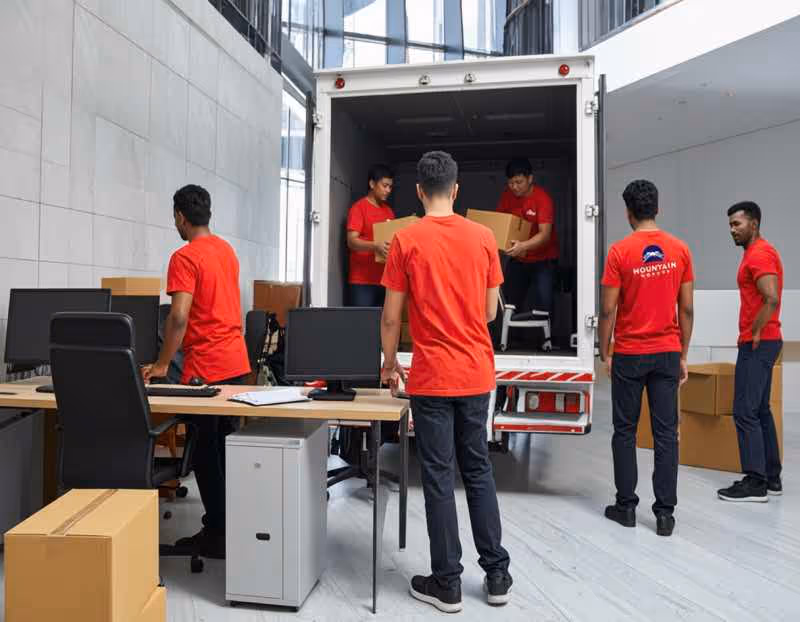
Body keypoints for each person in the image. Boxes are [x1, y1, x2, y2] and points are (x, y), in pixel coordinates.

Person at [380, 151, 512, 613]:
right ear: (455, 190)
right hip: (476, 372)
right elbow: (491, 311)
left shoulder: (405, 239)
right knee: (477, 469)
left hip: (433, 377)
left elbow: (392, 316)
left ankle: (447, 583)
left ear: (419, 190)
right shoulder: (483, 237)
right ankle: (497, 575)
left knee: (438, 476)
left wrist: (389, 364)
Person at [142, 184, 250, 558]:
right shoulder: (227, 251)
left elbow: (179, 317)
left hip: (207, 366)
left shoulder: (185, 257)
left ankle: (218, 533)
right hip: (236, 362)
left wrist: (159, 365)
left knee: (203, 448)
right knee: (223, 446)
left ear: (180, 217)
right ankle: (227, 527)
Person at [599, 179, 694, 537]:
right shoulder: (679, 249)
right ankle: (665, 514)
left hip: (630, 353)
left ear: (628, 212)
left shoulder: (620, 252)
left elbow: (608, 310)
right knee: (666, 433)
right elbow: (686, 308)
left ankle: (625, 507)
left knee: (624, 431)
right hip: (667, 351)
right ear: (658, 208)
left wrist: (605, 351)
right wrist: (682, 353)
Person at [717, 201, 783, 503]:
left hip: (759, 342)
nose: (732, 230)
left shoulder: (760, 254)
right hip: (763, 341)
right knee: (759, 410)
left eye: (737, 224)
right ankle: (771, 477)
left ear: (753, 224)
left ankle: (755, 482)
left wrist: (755, 332)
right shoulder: (755, 254)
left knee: (745, 411)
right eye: (730, 224)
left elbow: (770, 296)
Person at [497, 158, 559, 320]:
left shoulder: (542, 199)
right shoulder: (507, 196)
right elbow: (501, 224)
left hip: (544, 260)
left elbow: (545, 235)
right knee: (510, 302)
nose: (514, 187)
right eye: (511, 183)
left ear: (530, 179)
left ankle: (546, 342)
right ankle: (508, 341)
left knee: (545, 303)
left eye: (519, 182)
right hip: (518, 258)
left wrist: (522, 246)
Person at [346, 164, 395, 307]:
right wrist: (376, 246)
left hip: (385, 280)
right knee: (362, 327)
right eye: (385, 186)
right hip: (362, 282)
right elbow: (351, 241)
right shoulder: (359, 208)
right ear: (372, 184)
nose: (388, 190)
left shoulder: (389, 212)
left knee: (382, 327)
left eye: (390, 187)